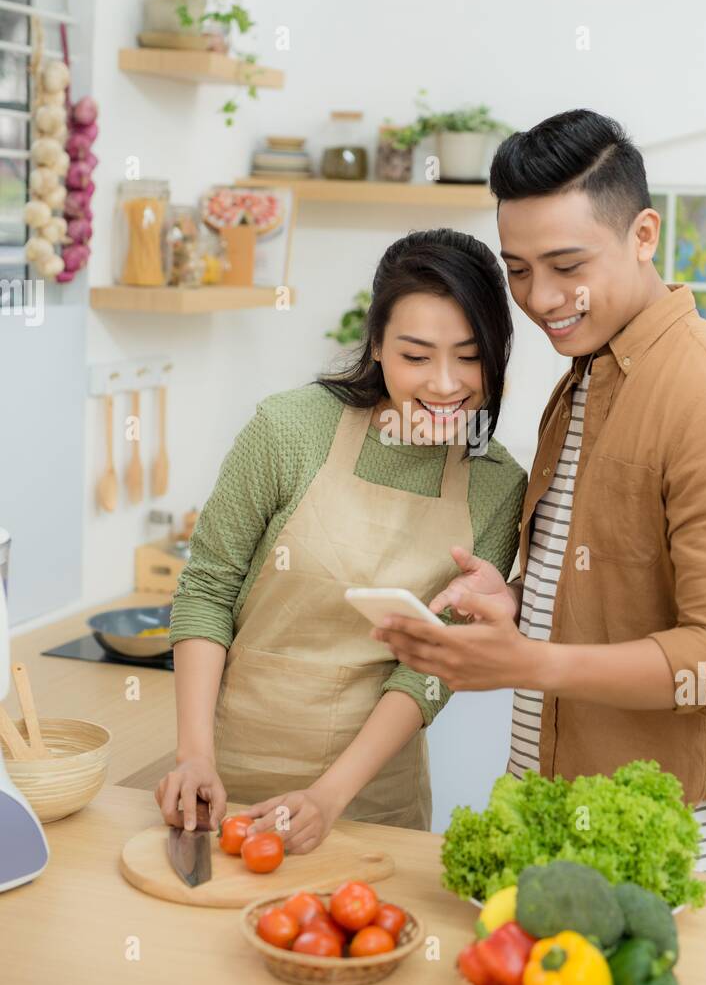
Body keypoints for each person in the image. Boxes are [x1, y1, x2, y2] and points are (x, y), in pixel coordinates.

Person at [375, 110, 706, 879]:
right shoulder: (583, 379)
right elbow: (614, 583)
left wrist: (522, 662)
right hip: (558, 806)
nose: (540, 298)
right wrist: (519, 602)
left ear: (642, 235)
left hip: (671, 832)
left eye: (567, 265)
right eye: (519, 269)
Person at [157, 228, 526, 851]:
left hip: (372, 800)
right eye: (416, 356)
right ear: (377, 344)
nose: (444, 384)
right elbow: (206, 591)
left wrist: (329, 797)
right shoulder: (288, 430)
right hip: (227, 779)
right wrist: (194, 757)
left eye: (469, 356)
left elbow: (430, 668)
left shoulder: (497, 484)